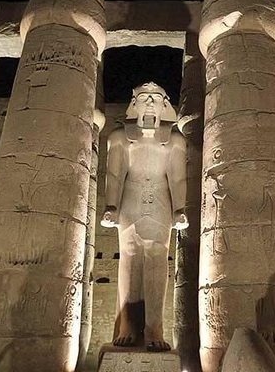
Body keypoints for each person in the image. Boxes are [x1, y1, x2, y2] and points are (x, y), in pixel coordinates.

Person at [101, 82, 188, 351]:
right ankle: (127, 324)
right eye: (144, 98)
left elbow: (177, 178)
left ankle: (154, 327)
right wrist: (111, 205)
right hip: (131, 201)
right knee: (128, 258)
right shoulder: (120, 137)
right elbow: (114, 174)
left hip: (160, 202)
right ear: (134, 104)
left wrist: (180, 209)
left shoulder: (174, 140)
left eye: (155, 98)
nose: (149, 103)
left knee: (157, 260)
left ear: (164, 105)